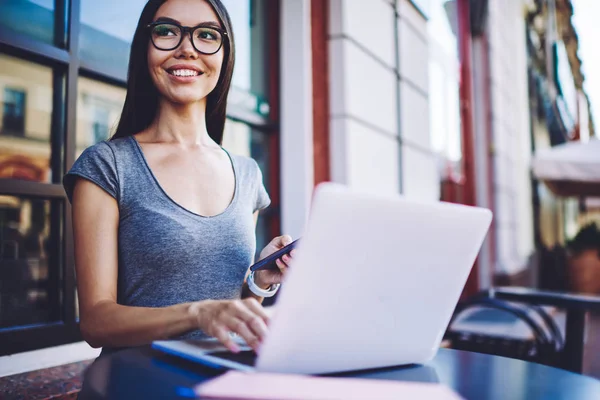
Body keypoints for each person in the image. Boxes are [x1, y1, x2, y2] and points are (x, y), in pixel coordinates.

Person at [63, 0, 293, 356]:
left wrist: (260, 281)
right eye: (167, 31)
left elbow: (232, 317)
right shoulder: (107, 165)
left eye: (206, 35)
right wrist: (198, 312)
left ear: (224, 55)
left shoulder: (247, 174)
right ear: (146, 49)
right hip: (138, 386)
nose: (187, 48)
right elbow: (96, 322)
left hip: (219, 384)